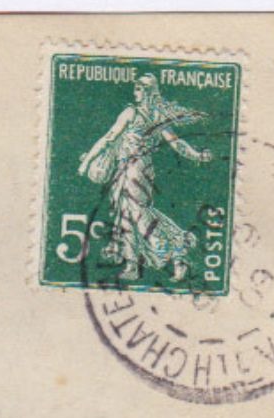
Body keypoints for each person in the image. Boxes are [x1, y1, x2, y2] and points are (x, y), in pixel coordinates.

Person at [77, 73, 214, 283]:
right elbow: (177, 144)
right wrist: (197, 155)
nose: (136, 92)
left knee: (139, 216)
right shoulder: (158, 116)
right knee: (127, 215)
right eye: (136, 87)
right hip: (134, 169)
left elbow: (109, 138)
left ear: (149, 91)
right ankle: (133, 265)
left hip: (134, 170)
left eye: (140, 88)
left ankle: (176, 253)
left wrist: (87, 162)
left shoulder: (131, 112)